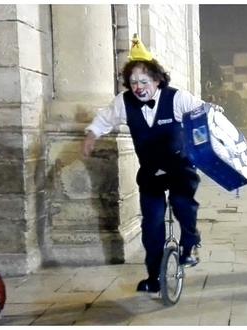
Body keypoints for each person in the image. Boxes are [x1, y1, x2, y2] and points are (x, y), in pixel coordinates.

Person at [82, 34, 205, 294]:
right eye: (133, 82)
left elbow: (204, 114)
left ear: (157, 80)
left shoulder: (177, 98)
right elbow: (105, 119)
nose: (138, 87)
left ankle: (191, 242)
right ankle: (154, 276)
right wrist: (92, 134)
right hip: (150, 174)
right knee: (151, 226)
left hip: (180, 169)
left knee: (183, 205)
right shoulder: (124, 103)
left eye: (144, 81)